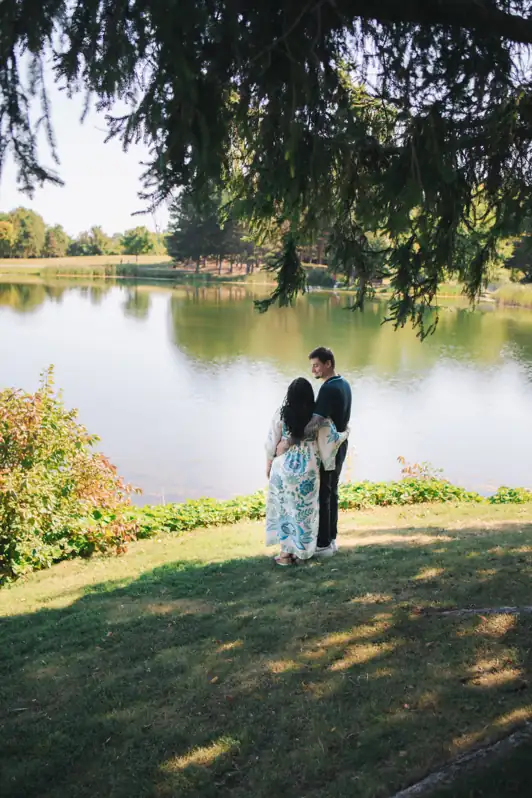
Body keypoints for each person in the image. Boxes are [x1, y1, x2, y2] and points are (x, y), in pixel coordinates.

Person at [277, 347, 352, 558]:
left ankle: (323, 545)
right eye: (312, 366)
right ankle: (331, 539)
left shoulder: (328, 389)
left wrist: (291, 439)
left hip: (329, 448)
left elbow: (314, 424)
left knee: (324, 494)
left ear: (328, 363)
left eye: (317, 365)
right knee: (332, 492)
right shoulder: (343, 383)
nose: (313, 370)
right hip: (339, 444)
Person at [265, 377, 348, 566]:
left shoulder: (281, 413)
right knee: (305, 513)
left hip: (283, 470)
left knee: (285, 510)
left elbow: (271, 442)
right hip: (308, 471)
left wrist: (269, 465)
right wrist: (346, 433)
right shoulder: (318, 417)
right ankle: (302, 553)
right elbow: (331, 440)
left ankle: (285, 556)